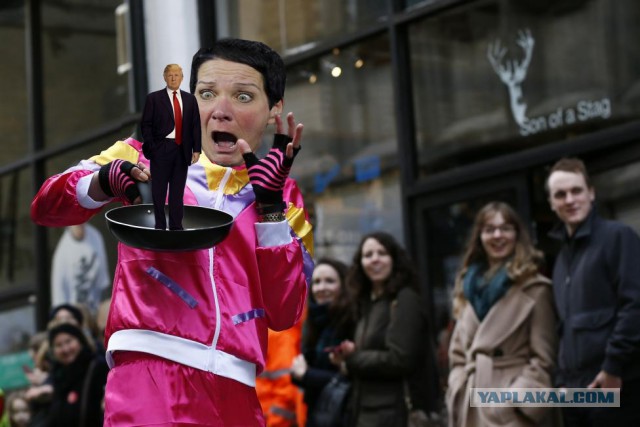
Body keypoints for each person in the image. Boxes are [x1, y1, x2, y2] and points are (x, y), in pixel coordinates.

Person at [31, 37, 313, 426]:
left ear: (274, 109)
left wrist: (270, 210)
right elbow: (45, 207)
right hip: (150, 373)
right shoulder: (144, 153)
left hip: (238, 390)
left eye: (243, 97)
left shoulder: (286, 199)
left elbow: (284, 313)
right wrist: (101, 181)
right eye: (207, 94)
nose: (221, 111)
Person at [546, 158, 640, 426]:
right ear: (552, 204)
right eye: (560, 195)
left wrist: (613, 368)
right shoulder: (562, 258)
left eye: (576, 190)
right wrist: (562, 383)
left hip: (616, 385)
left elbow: (635, 306)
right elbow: (565, 328)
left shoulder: (618, 236)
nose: (570, 199)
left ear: (591, 193)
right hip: (576, 393)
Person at [446, 201, 557, 427]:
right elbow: (457, 355)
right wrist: (457, 387)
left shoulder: (534, 288)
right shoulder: (467, 287)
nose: (498, 235)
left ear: (517, 234)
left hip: (510, 412)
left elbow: (543, 360)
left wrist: (513, 401)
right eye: (489, 229)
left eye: (505, 228)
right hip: (472, 406)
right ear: (479, 237)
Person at [330, 231, 431, 427]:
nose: (375, 259)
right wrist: (347, 357)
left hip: (395, 414)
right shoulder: (367, 303)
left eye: (382, 253)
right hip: (366, 412)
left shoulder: (404, 299)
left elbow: (400, 359)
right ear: (360, 263)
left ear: (394, 259)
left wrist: (352, 359)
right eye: (368, 255)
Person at [290, 257, 354, 426]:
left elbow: (351, 380)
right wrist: (299, 374)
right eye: (317, 282)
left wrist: (306, 374)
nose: (321, 288)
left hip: (344, 416)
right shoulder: (313, 321)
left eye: (330, 281)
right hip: (317, 414)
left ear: (343, 286)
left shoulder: (352, 319)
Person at [141, 63, 201, 230]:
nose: (174, 78)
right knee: (159, 192)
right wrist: (152, 146)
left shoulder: (190, 99)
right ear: (165, 77)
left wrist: (196, 149)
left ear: (182, 78)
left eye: (177, 75)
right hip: (161, 148)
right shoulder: (153, 98)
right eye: (170, 75)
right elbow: (146, 125)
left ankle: (176, 226)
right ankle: (160, 226)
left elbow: (195, 125)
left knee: (177, 192)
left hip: (182, 150)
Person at [46, 322, 109, 427]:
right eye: (58, 345)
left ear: (80, 340)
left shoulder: (97, 367)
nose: (65, 349)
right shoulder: (57, 376)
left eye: (69, 341)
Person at [51, 223, 110, 314]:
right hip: (74, 315)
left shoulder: (95, 236)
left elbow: (103, 282)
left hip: (96, 310)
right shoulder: (62, 252)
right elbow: (59, 298)